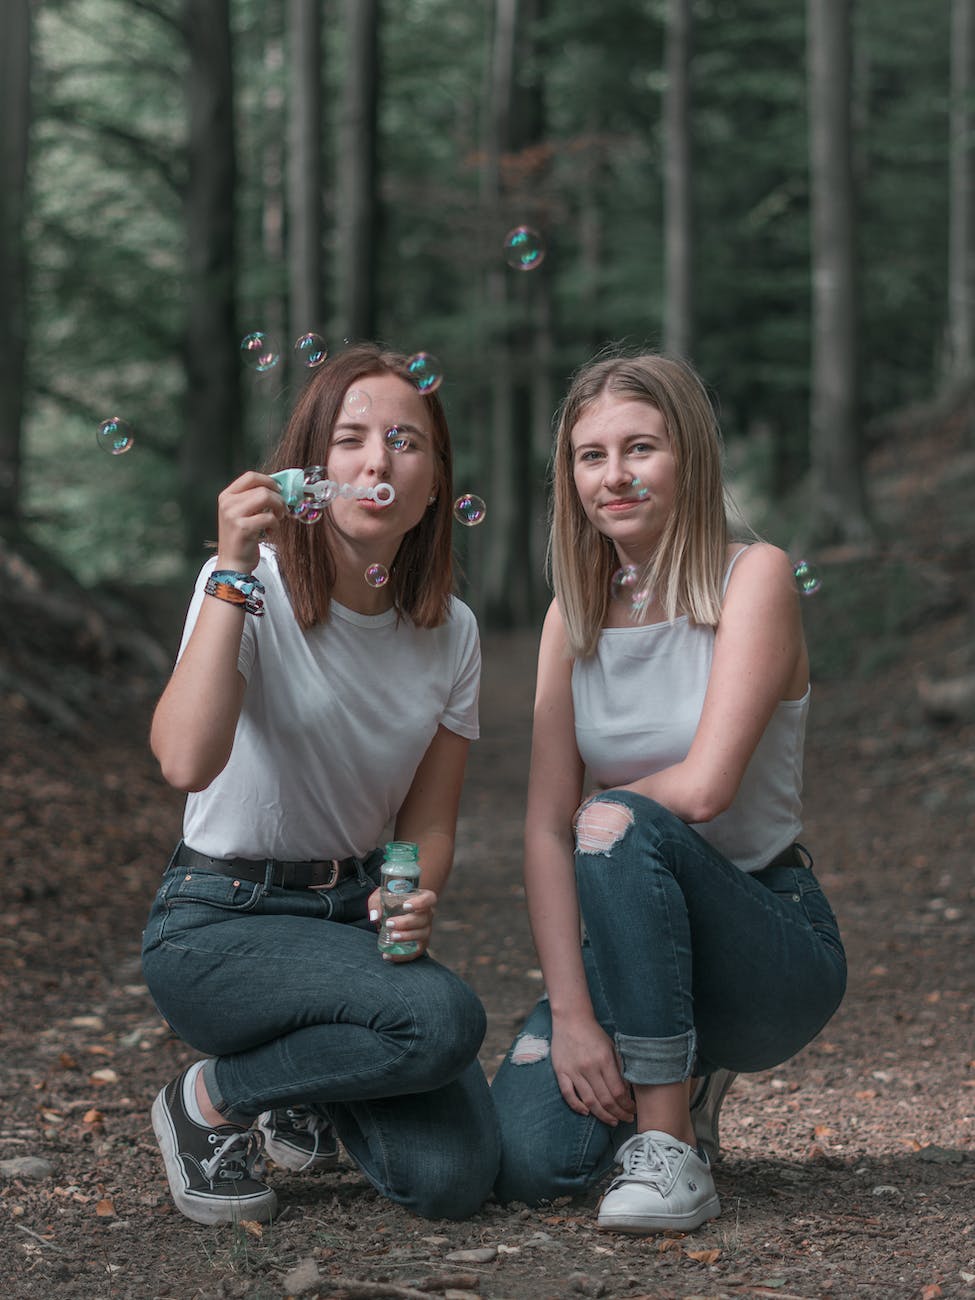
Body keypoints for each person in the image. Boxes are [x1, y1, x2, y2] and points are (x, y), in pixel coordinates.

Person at [142, 343, 500, 1226]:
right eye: (351, 439)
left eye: (405, 443)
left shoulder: (449, 632)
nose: (377, 460)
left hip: (347, 925)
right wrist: (228, 566)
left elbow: (427, 825)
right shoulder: (247, 588)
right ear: (310, 471)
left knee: (452, 1180)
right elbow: (185, 762)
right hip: (219, 921)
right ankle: (213, 1101)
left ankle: (308, 1076)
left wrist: (414, 892)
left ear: (432, 486)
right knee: (443, 1021)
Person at [491, 352, 846, 1234]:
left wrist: (597, 824)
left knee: (617, 819)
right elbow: (540, 829)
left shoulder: (751, 578)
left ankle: (669, 1151)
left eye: (639, 448)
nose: (613, 476)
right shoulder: (569, 616)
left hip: (766, 939)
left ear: (687, 456)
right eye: (590, 455)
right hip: (630, 942)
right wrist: (571, 1015)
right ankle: (677, 1065)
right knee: (530, 1162)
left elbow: (703, 787)